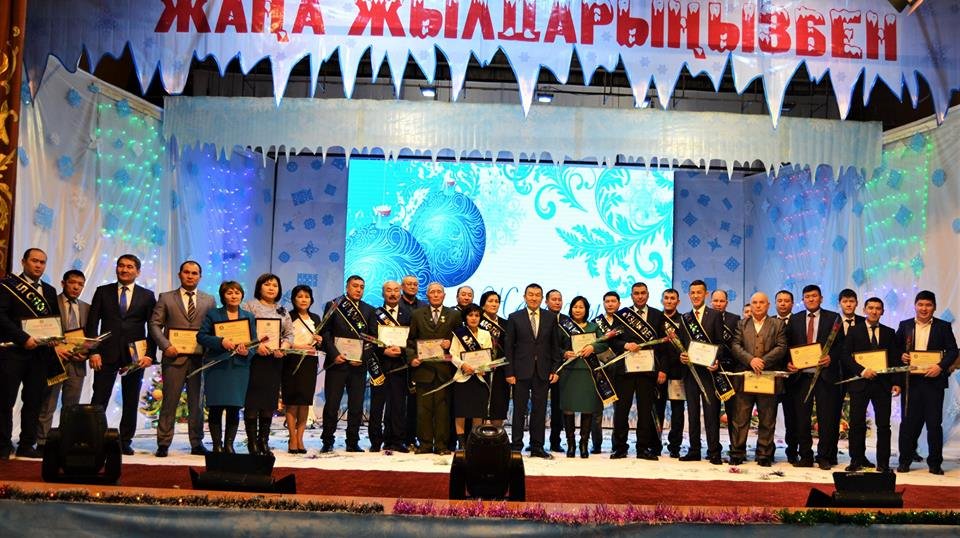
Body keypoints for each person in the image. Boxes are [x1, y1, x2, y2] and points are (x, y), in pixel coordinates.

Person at [87, 254, 157, 455]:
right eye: (121, 266)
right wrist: (93, 351)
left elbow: (153, 327)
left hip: (135, 356)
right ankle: (94, 439)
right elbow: (92, 323)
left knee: (131, 399)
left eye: (129, 266)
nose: (124, 270)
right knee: (99, 398)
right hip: (105, 353)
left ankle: (125, 440)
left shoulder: (147, 295)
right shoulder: (103, 291)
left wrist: (149, 355)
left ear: (138, 271)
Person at [148, 261, 216, 457]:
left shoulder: (209, 300)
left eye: (194, 273)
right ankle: (163, 443)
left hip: (199, 359)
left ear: (200, 276)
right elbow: (154, 324)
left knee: (197, 404)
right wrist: (165, 345)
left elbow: (213, 327)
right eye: (186, 272)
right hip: (173, 358)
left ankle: (196, 443)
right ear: (180, 274)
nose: (190, 276)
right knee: (169, 402)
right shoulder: (166, 297)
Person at [0, 248, 62, 459]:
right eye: (34, 261)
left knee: (34, 400)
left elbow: (54, 321)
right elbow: (1, 317)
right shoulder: (7, 286)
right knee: (5, 400)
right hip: (13, 352)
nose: (38, 265)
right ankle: (3, 445)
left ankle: (27, 444)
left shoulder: (50, 291)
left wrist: (55, 337)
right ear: (23, 261)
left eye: (42, 262)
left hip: (39, 355)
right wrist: (23, 338)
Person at [896, 290, 958, 475]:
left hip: (934, 383)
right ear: (915, 306)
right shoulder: (905, 325)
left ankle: (935, 463)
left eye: (928, 305)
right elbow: (895, 348)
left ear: (934, 307)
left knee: (934, 424)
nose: (924, 308)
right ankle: (904, 461)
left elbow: (953, 351)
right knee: (908, 424)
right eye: (921, 304)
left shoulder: (943, 326)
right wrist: (901, 355)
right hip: (911, 383)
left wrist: (940, 366)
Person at [786, 284, 845, 470]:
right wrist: (788, 363)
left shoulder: (833, 318)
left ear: (821, 298)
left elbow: (842, 346)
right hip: (801, 377)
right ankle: (805, 456)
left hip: (825, 377)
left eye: (814, 296)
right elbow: (787, 345)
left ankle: (824, 456)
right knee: (801, 419)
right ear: (802, 300)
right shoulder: (794, 319)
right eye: (807, 296)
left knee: (826, 419)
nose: (811, 299)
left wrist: (831, 358)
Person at [842, 297, 901, 473]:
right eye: (871, 308)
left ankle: (883, 463)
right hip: (860, 384)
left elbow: (895, 359)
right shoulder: (854, 331)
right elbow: (845, 356)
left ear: (882, 311)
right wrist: (862, 371)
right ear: (865, 310)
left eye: (878, 308)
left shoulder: (889, 332)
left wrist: (896, 382)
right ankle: (856, 460)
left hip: (882, 385)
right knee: (856, 424)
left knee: (883, 425)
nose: (874, 311)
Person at [197, 281, 257, 454]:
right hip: (217, 366)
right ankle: (217, 445)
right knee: (215, 407)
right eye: (229, 293)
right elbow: (201, 336)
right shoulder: (213, 314)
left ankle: (229, 445)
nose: (233, 296)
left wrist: (247, 351)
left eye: (237, 292)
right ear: (223, 296)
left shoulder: (248, 316)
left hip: (239, 368)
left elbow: (254, 342)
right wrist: (221, 342)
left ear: (242, 295)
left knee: (234, 407)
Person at [729, 292, 787, 466]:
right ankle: (737, 453)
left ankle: (764, 455)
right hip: (745, 377)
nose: (758, 305)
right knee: (740, 419)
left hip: (767, 377)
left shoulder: (778, 324)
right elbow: (735, 346)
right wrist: (750, 360)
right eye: (754, 302)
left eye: (762, 302)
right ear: (751, 305)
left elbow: (782, 346)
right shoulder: (742, 324)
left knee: (767, 418)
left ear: (768, 305)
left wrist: (763, 361)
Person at [320, 275, 377, 452]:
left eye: (361, 287)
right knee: (332, 405)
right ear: (347, 287)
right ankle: (327, 441)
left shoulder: (369, 310)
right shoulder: (334, 305)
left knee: (356, 406)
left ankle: (352, 441)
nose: (358, 289)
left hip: (358, 366)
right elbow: (325, 333)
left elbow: (372, 338)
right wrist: (334, 354)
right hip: (337, 363)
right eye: (355, 286)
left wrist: (362, 358)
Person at [609, 282, 666, 460]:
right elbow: (613, 341)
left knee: (645, 411)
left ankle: (643, 448)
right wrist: (625, 344)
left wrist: (662, 369)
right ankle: (620, 447)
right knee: (621, 411)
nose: (640, 296)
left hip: (648, 372)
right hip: (625, 371)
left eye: (643, 293)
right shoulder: (622, 315)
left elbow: (663, 345)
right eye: (636, 293)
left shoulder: (657, 315)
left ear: (648, 295)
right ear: (631, 295)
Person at [505, 283, 562, 459]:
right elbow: (509, 347)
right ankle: (516, 446)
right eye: (530, 294)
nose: (534, 298)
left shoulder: (550, 318)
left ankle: (537, 446)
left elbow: (554, 346)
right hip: (520, 371)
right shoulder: (514, 317)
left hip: (543, 371)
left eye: (537, 295)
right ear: (524, 297)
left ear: (542, 298)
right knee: (519, 410)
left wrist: (555, 369)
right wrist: (509, 372)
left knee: (539, 410)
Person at [36, 269, 89, 452]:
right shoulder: (50, 303)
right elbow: (42, 331)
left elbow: (89, 335)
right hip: (54, 361)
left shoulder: (86, 307)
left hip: (77, 363)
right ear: (63, 283)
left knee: (71, 407)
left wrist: (86, 353)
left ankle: (66, 441)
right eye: (72, 282)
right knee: (48, 403)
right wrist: (53, 349)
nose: (76, 287)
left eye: (80, 284)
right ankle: (42, 441)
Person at [241, 273, 294, 455]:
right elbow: (244, 330)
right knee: (252, 402)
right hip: (253, 360)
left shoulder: (283, 310)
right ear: (259, 287)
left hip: (274, 361)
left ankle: (264, 441)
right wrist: (257, 346)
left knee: (268, 402)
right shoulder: (248, 306)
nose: (271, 288)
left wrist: (283, 347)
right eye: (267, 284)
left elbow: (289, 334)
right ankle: (252, 442)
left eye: (275, 285)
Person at [406, 282, 461, 454]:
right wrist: (412, 358)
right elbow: (410, 341)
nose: (436, 295)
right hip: (424, 370)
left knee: (443, 411)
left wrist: (451, 343)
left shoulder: (454, 315)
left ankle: (442, 445)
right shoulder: (417, 314)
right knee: (423, 410)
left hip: (445, 371)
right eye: (432, 292)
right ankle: (425, 445)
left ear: (444, 295)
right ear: (427, 295)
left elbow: (461, 340)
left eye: (439, 292)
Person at [678, 280, 724, 464]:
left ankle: (714, 451)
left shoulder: (715, 315)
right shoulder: (685, 318)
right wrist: (681, 356)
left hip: (709, 372)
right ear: (689, 295)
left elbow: (721, 344)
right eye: (692, 293)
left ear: (705, 294)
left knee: (711, 412)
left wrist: (716, 360)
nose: (696, 295)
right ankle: (694, 450)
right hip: (690, 372)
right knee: (693, 413)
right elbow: (681, 344)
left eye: (699, 292)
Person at [558, 296, 609, 458]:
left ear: (586, 309)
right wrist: (564, 353)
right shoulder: (563, 327)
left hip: (588, 371)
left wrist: (593, 347)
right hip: (569, 371)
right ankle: (571, 444)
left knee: (588, 407)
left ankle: (584, 444)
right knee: (568, 408)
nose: (578, 310)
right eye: (575, 307)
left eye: (581, 307)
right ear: (570, 308)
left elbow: (604, 343)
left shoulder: (593, 327)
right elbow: (554, 346)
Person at [369, 280, 411, 452]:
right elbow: (370, 338)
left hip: (400, 366)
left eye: (395, 290)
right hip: (380, 365)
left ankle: (396, 440)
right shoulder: (374, 314)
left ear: (400, 293)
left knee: (398, 405)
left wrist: (402, 350)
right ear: (383, 293)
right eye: (388, 290)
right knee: (377, 405)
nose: (392, 293)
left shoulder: (408, 314)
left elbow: (412, 339)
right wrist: (383, 351)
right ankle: (375, 441)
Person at [282, 285, 323, 454]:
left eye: (307, 296)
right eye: (300, 296)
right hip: (291, 361)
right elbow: (283, 339)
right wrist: (299, 347)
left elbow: (319, 342)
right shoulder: (287, 316)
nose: (304, 299)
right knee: (292, 402)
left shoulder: (316, 318)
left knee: (305, 402)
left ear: (311, 300)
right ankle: (292, 438)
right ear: (293, 299)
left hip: (309, 363)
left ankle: (300, 438)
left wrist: (319, 340)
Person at [450, 304, 494, 448]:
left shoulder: (485, 334)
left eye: (477, 315)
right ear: (465, 317)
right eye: (470, 315)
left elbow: (488, 354)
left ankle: (475, 442)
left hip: (480, 378)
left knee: (478, 412)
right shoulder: (459, 333)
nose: (474, 318)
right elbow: (452, 354)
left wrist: (484, 367)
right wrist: (463, 365)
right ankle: (462, 444)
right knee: (461, 412)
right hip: (462, 377)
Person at [588, 291, 622, 453]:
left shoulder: (625, 321)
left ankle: (617, 444)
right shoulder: (595, 323)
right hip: (600, 369)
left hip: (620, 369)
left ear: (619, 303)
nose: (610, 304)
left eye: (613, 301)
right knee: (596, 409)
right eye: (607, 301)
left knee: (619, 409)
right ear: (603, 303)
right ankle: (596, 444)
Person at [711, 289, 742, 455]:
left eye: (721, 301)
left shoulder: (734, 319)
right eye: (715, 301)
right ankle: (713, 447)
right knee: (712, 412)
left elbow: (737, 344)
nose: (718, 304)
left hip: (729, 370)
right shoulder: (706, 317)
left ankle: (735, 447)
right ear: (711, 302)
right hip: (711, 369)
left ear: (727, 303)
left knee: (732, 412)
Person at [658, 288, 686, 458]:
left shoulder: (683, 320)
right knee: (658, 409)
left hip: (677, 371)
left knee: (677, 412)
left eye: (672, 298)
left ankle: (675, 445)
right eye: (666, 298)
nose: (669, 301)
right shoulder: (656, 319)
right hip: (659, 372)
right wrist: (662, 368)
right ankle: (655, 444)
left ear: (678, 301)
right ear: (662, 300)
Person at [478, 290, 510, 427]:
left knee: (499, 404)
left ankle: (497, 435)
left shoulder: (506, 324)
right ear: (483, 304)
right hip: (480, 370)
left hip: (500, 370)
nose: (494, 304)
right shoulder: (476, 321)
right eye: (490, 301)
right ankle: (477, 435)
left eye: (497, 301)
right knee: (479, 404)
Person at [774, 289, 798, 464]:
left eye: (786, 301)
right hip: (772, 377)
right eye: (780, 300)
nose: (783, 303)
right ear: (775, 303)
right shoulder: (768, 321)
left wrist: (793, 364)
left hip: (794, 377)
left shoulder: (799, 321)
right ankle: (767, 450)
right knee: (768, 416)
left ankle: (792, 451)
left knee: (792, 418)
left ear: (792, 303)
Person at [544, 289, 566, 453]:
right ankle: (536, 440)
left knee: (558, 407)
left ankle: (555, 441)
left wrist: (564, 353)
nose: (557, 302)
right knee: (539, 407)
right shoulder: (541, 318)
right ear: (546, 302)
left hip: (561, 369)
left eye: (559, 299)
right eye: (554, 299)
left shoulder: (567, 322)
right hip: (541, 368)